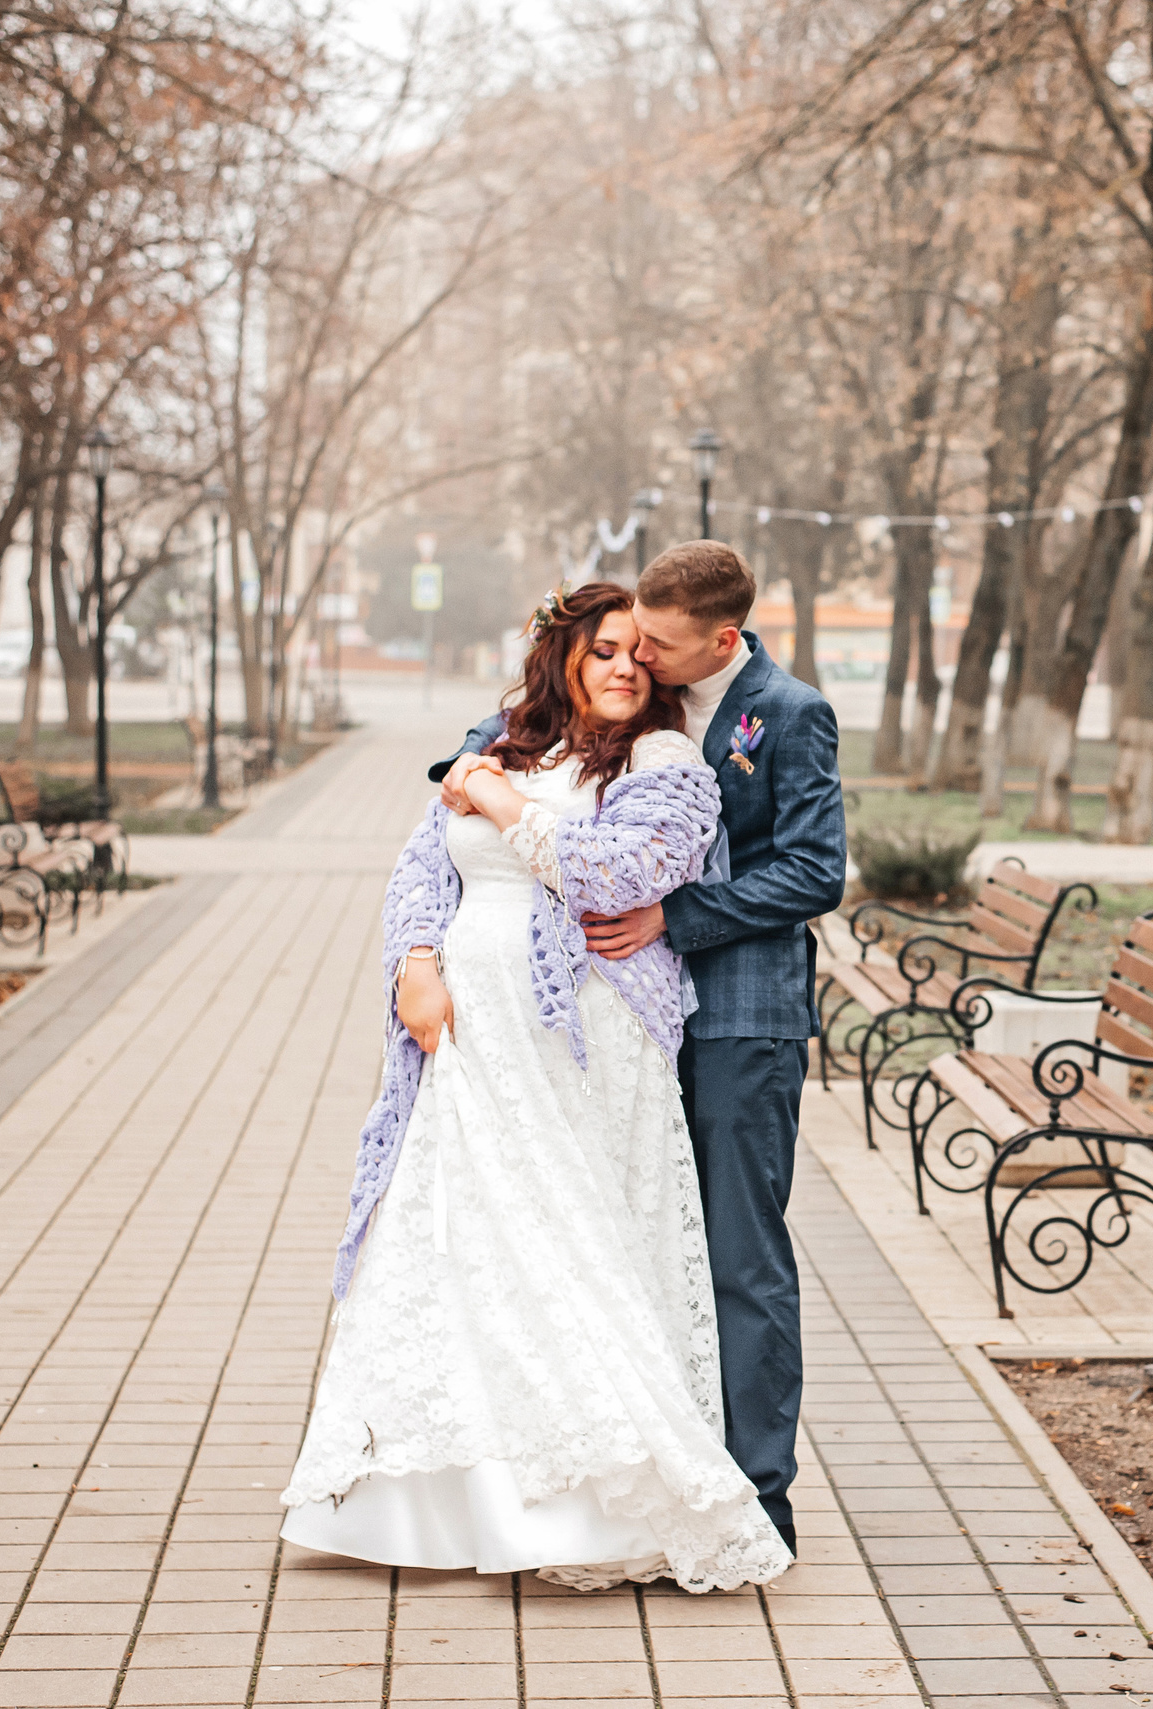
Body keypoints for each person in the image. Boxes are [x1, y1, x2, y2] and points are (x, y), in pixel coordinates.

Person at [280, 580, 791, 1593]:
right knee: (464, 1245)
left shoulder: (666, 762)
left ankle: (596, 1501)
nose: (622, 668)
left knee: (572, 1245)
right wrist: (415, 961)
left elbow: (607, 874)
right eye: (603, 649)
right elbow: (422, 864)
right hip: (469, 1036)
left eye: (640, 657)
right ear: (564, 656)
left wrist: (500, 801)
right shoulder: (511, 745)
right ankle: (440, 1505)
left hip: (586, 1039)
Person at [430, 541, 846, 1558]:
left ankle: (758, 1494)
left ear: (723, 639)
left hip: (741, 1017)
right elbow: (476, 757)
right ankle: (656, 1469)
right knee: (635, 1243)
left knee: (739, 1254)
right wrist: (466, 771)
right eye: (633, 640)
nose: (641, 659)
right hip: (621, 1026)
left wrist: (677, 914)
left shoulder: (785, 714)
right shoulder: (634, 692)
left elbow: (814, 870)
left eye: (660, 644)